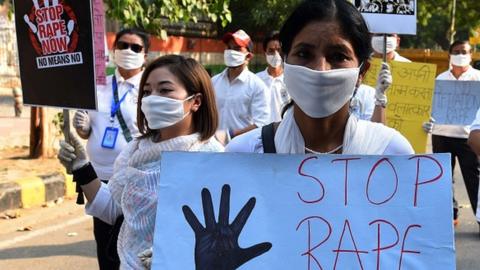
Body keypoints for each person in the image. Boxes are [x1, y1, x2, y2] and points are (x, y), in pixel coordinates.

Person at [58, 55, 224, 269]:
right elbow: (112, 208)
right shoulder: (135, 151)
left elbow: (219, 237)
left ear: (196, 101)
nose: (152, 98)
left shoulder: (213, 159)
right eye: (146, 92)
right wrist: (82, 167)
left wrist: (181, 252)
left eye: (165, 90)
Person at [225, 0, 413, 156]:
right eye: (304, 54)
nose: (320, 70)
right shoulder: (245, 154)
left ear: (362, 72)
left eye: (338, 56)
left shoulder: (392, 153)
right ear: (284, 61)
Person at [71, 28, 149, 270]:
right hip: (99, 176)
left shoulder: (149, 88)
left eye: (136, 48)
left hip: (133, 177)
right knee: (104, 240)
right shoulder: (100, 86)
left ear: (145, 55)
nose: (128, 51)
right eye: (123, 45)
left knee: (129, 240)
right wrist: (82, 128)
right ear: (114, 50)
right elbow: (89, 131)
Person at [432, 40, 480, 226]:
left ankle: (478, 216)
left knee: (473, 177)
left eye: (464, 51)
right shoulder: (439, 80)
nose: (460, 55)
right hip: (441, 134)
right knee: (443, 178)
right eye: (457, 51)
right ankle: (450, 215)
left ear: (471, 54)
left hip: (468, 136)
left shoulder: (478, 79)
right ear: (449, 55)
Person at [212, 29, 271, 140]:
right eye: (229, 48)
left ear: (248, 56)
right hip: (214, 147)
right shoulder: (214, 82)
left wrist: (230, 135)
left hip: (242, 148)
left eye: (237, 49)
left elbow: (262, 123)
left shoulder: (257, 86)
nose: (231, 52)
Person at [256, 31, 290, 122]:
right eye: (271, 51)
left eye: (279, 50)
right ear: (265, 53)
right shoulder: (256, 80)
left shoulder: (291, 80)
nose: (276, 55)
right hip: (261, 132)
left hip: (285, 131)